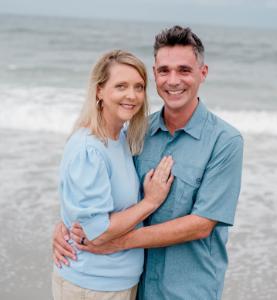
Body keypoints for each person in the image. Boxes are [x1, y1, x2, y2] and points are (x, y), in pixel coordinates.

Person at [53, 26, 244, 300]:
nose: (173, 80)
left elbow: (202, 223)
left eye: (184, 70)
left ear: (203, 74)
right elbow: (96, 188)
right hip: (134, 287)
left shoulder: (225, 142)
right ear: (154, 74)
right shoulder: (136, 132)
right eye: (164, 70)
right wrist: (65, 227)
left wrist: (115, 242)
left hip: (187, 290)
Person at [52, 49, 174, 300]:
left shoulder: (121, 138)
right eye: (121, 86)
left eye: (139, 87)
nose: (132, 95)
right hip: (92, 285)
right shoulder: (89, 149)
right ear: (99, 91)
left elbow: (81, 210)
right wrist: (150, 202)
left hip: (118, 282)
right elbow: (97, 231)